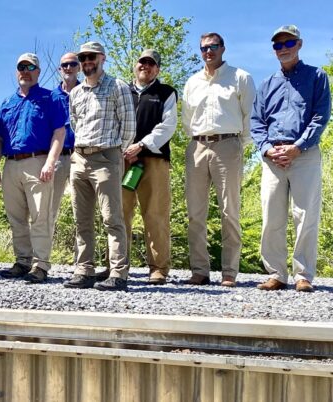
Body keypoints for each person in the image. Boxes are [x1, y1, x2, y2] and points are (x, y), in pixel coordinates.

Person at [251, 25, 331, 292]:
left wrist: (298, 146)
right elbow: (256, 122)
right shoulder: (266, 84)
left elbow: (321, 115)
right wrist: (267, 149)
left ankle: (303, 274)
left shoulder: (317, 76)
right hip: (272, 158)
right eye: (278, 45)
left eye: (288, 43)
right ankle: (276, 273)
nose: (283, 49)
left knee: (306, 215)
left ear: (299, 44)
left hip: (305, 155)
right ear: (274, 51)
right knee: (271, 217)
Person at [182, 32, 255, 286]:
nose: (208, 51)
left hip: (228, 146)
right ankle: (199, 270)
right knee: (195, 212)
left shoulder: (240, 78)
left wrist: (237, 145)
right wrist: (197, 142)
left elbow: (250, 117)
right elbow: (187, 119)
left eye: (213, 46)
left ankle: (229, 272)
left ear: (223, 48)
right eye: (204, 48)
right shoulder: (192, 82)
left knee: (229, 211)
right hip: (197, 147)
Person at [62, 42, 136, 292]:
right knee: (81, 219)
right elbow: (74, 124)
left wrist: (114, 153)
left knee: (112, 218)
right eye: (83, 58)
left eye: (91, 57)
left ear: (102, 58)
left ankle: (118, 273)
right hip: (79, 158)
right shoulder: (76, 93)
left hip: (107, 157)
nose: (86, 62)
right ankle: (84, 269)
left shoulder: (118, 86)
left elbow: (128, 127)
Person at [0, 53, 66, 283]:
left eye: (30, 67)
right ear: (16, 72)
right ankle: (22, 261)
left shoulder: (51, 98)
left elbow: (59, 132)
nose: (25, 71)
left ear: (38, 71)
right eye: (21, 67)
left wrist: (50, 162)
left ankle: (41, 264)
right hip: (11, 165)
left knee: (40, 216)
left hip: (38, 162)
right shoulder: (7, 103)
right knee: (16, 218)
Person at [119, 50, 178, 285]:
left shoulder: (166, 93)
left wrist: (141, 146)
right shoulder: (122, 90)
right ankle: (117, 266)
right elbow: (114, 121)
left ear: (158, 69)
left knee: (155, 214)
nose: (146, 66)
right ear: (135, 66)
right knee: (118, 214)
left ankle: (158, 268)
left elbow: (168, 125)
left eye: (151, 64)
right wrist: (125, 149)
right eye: (142, 62)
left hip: (154, 160)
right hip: (122, 161)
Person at [51, 52, 81, 224]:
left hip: (82, 156)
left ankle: (82, 252)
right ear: (59, 69)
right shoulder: (51, 97)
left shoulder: (87, 91)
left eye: (72, 64)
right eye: (65, 65)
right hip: (57, 158)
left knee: (82, 210)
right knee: (49, 210)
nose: (68, 68)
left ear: (79, 68)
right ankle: (42, 251)